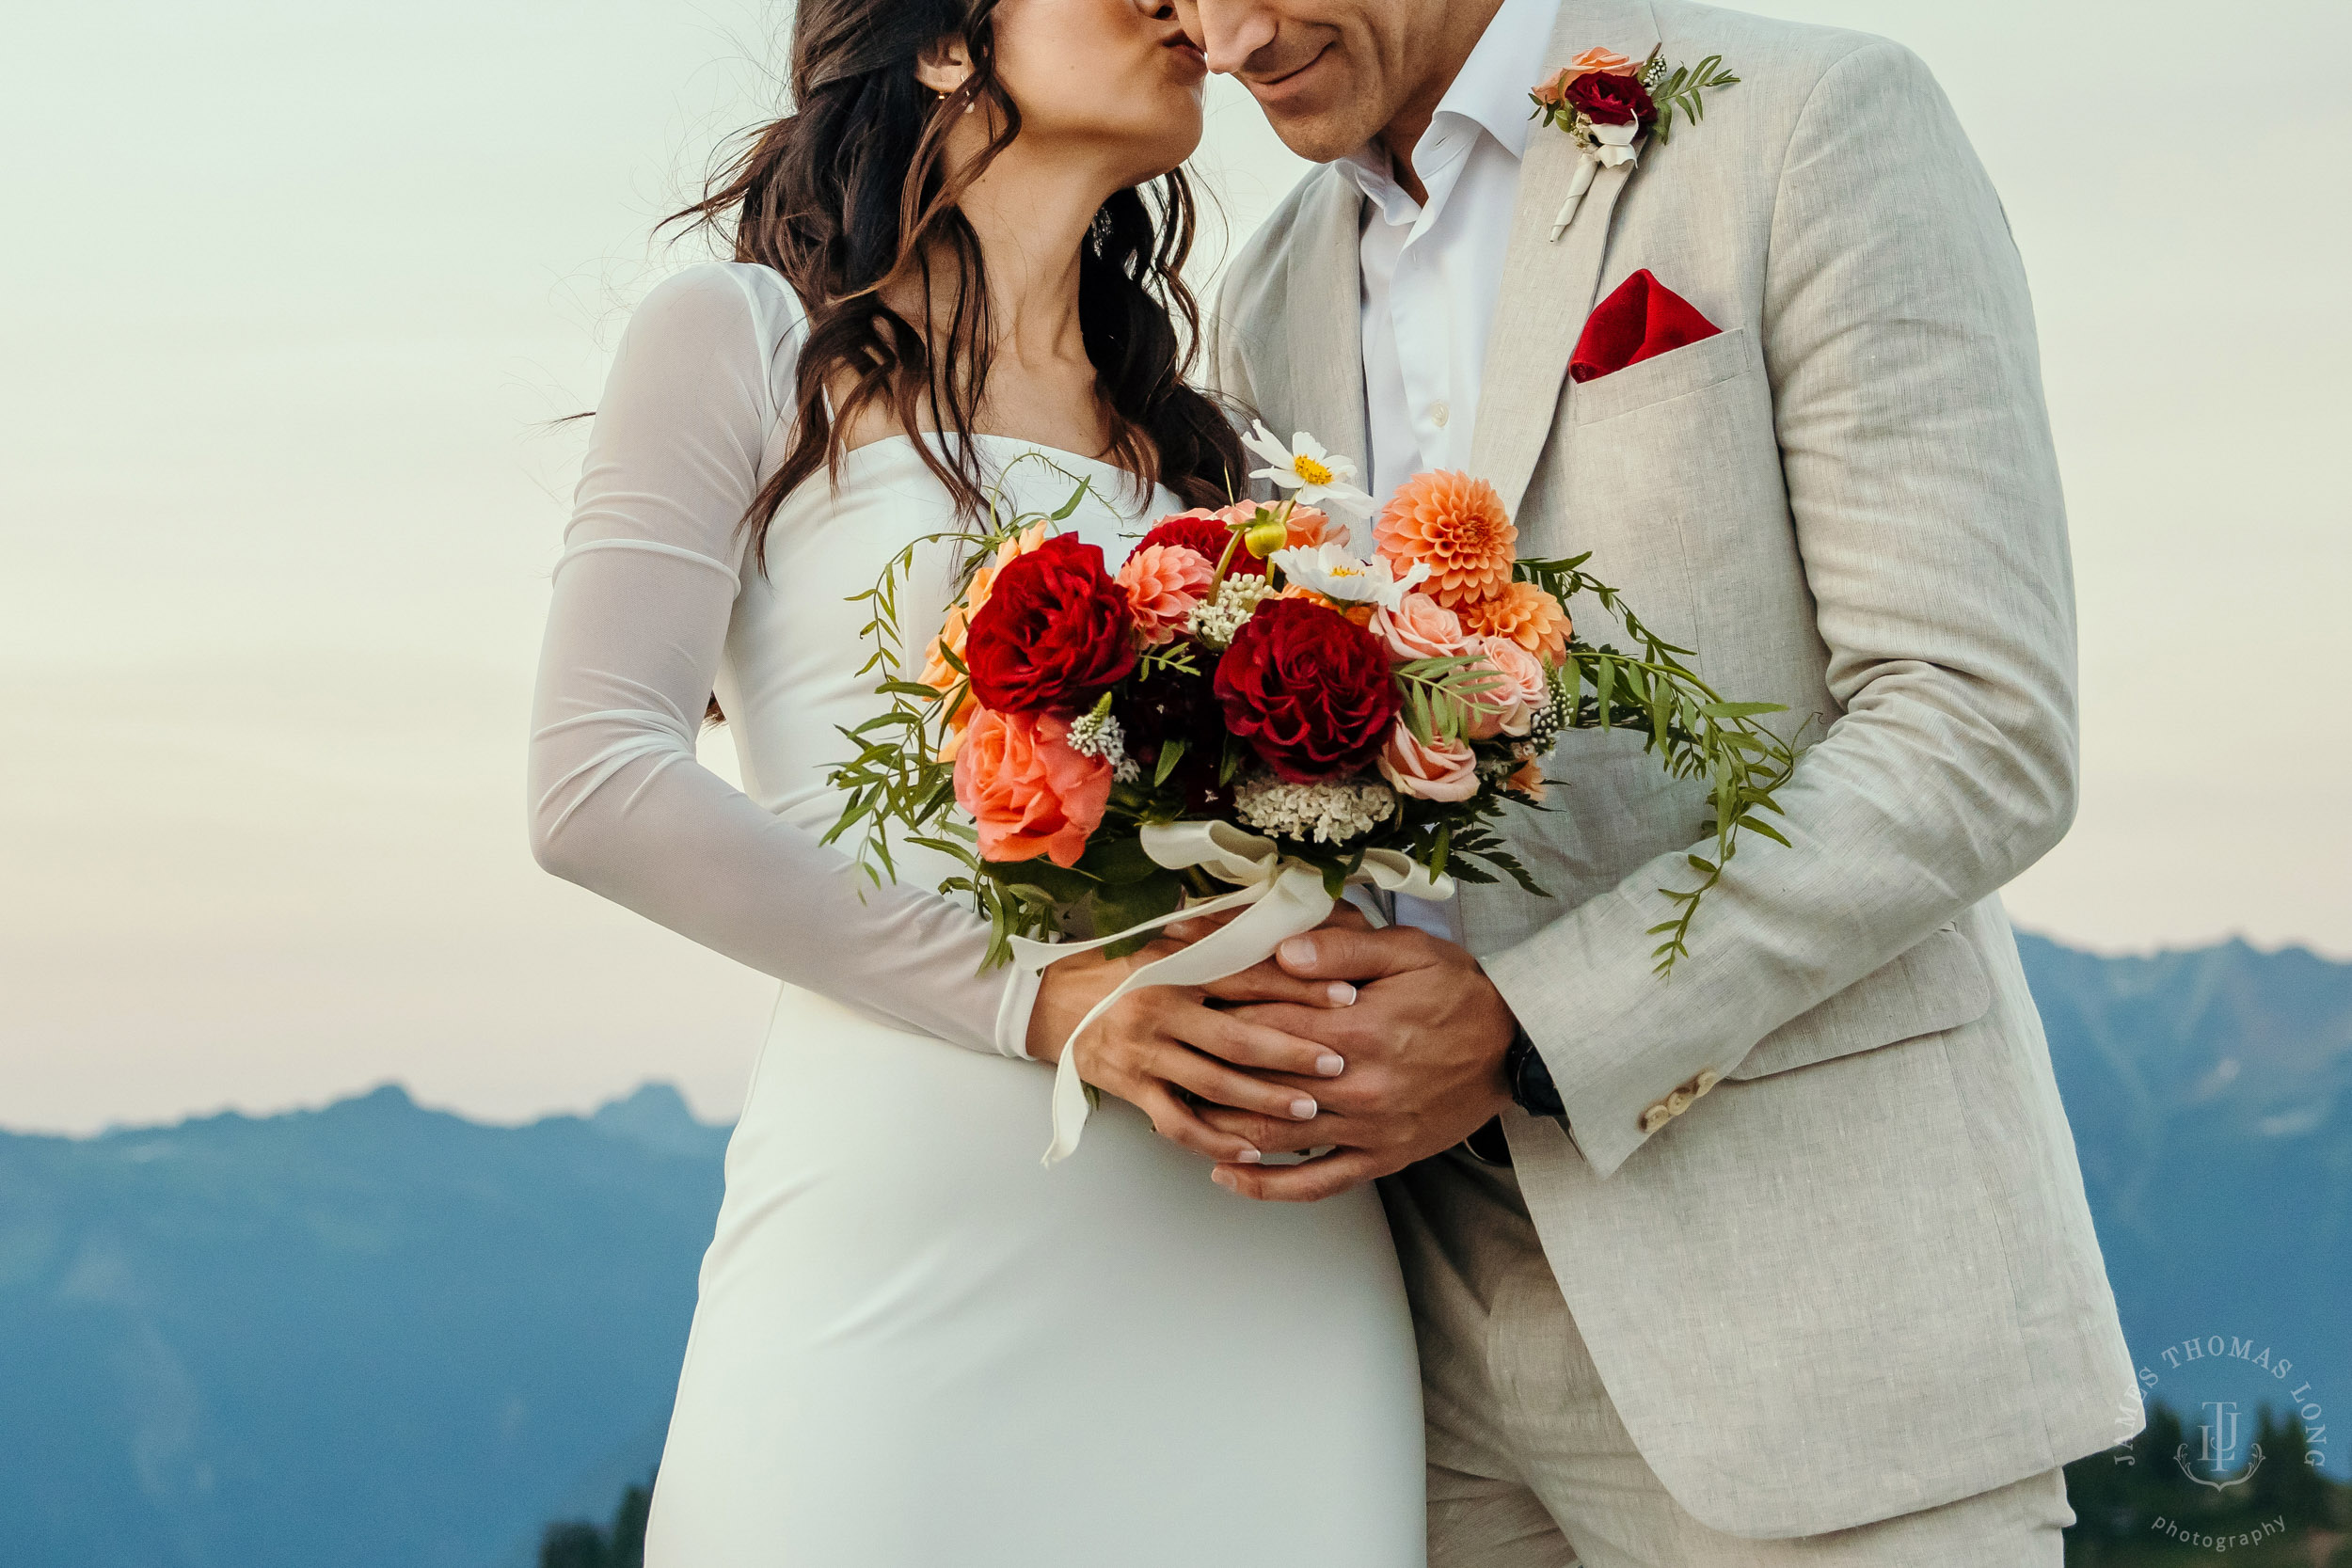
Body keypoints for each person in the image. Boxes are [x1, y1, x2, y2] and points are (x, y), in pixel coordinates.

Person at [1175, 0, 2141, 1562]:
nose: (1230, 37)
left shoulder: (1811, 119)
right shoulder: (1271, 283)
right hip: (1395, 1349)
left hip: (1815, 1320)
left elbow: (1980, 726)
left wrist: (1527, 1033)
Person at [526, 1, 1424, 1560]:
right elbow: (596, 786)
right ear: (943, 41)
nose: (1183, 4)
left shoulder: (1222, 453)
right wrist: (1046, 1001)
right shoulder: (740, 339)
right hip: (905, 1241)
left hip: (1267, 1260)